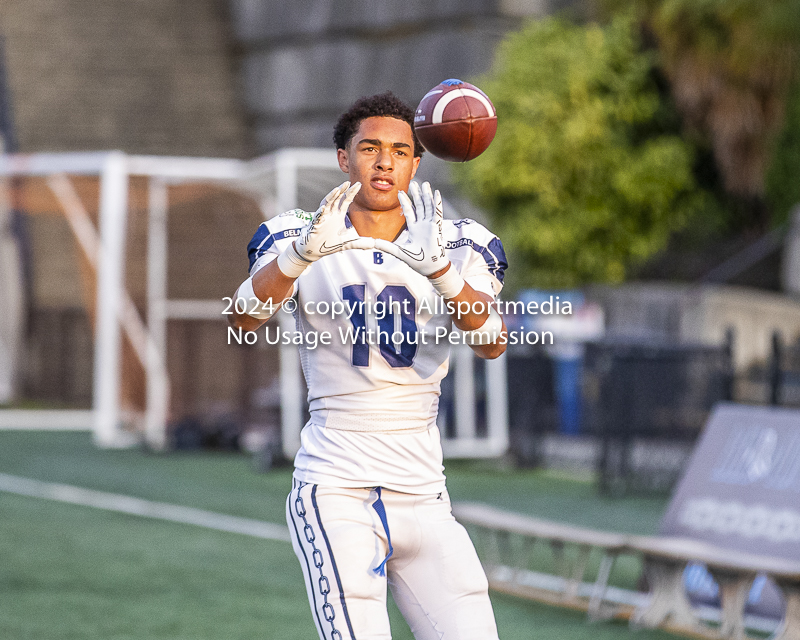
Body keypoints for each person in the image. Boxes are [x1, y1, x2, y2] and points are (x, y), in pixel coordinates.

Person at [230, 91, 508, 640]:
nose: (385, 163)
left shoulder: (457, 241)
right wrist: (299, 258)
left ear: (417, 162)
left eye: (400, 151)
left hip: (424, 488)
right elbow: (242, 318)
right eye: (370, 148)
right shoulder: (299, 234)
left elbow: (493, 342)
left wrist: (445, 275)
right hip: (337, 485)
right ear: (343, 158)